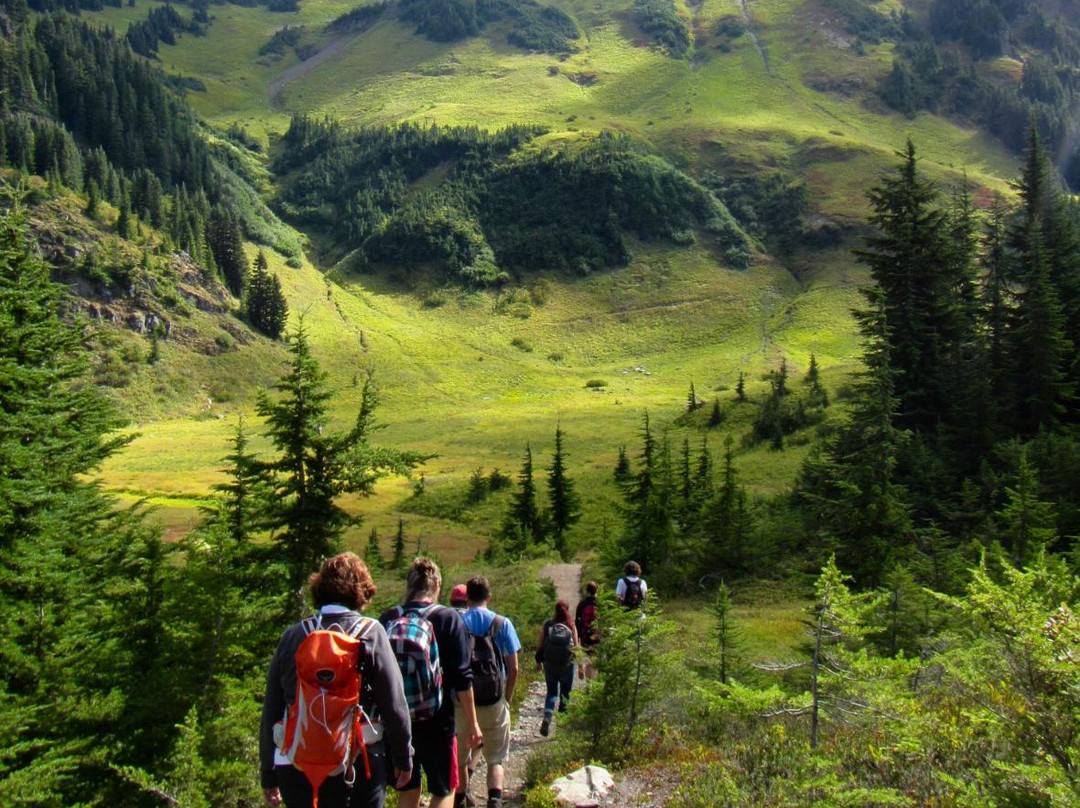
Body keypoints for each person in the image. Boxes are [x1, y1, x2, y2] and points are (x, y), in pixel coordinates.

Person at [260, 552, 414, 808]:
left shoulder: (293, 635)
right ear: (361, 591)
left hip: (296, 762)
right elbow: (394, 705)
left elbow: (271, 710)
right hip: (357, 760)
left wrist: (268, 771)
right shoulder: (371, 633)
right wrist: (403, 757)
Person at [380, 558, 483, 808]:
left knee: (408, 788)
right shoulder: (448, 618)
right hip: (438, 721)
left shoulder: (389, 618)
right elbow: (462, 678)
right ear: (436, 583)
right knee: (444, 789)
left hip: (397, 722)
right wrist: (473, 723)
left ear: (409, 585)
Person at [454, 576, 521, 808]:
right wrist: (506, 697)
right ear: (489, 596)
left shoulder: (457, 623)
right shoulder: (502, 623)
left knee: (461, 760)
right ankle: (494, 800)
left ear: (467, 597)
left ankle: (460, 801)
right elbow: (514, 668)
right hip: (494, 700)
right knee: (495, 759)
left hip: (462, 703)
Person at [534, 599, 578, 738]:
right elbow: (576, 646)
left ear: (555, 610)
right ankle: (561, 726)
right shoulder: (571, 625)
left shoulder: (548, 624)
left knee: (552, 692)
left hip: (550, 664)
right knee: (565, 694)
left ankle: (547, 716)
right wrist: (581, 667)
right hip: (567, 664)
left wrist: (539, 662)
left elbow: (540, 644)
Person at [574, 581, 600, 679]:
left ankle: (589, 683)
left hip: (586, 636)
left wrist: (579, 635)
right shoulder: (600, 603)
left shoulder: (582, 604)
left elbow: (577, 621)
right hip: (598, 636)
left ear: (587, 591)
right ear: (597, 590)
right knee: (595, 658)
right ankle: (595, 681)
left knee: (588, 657)